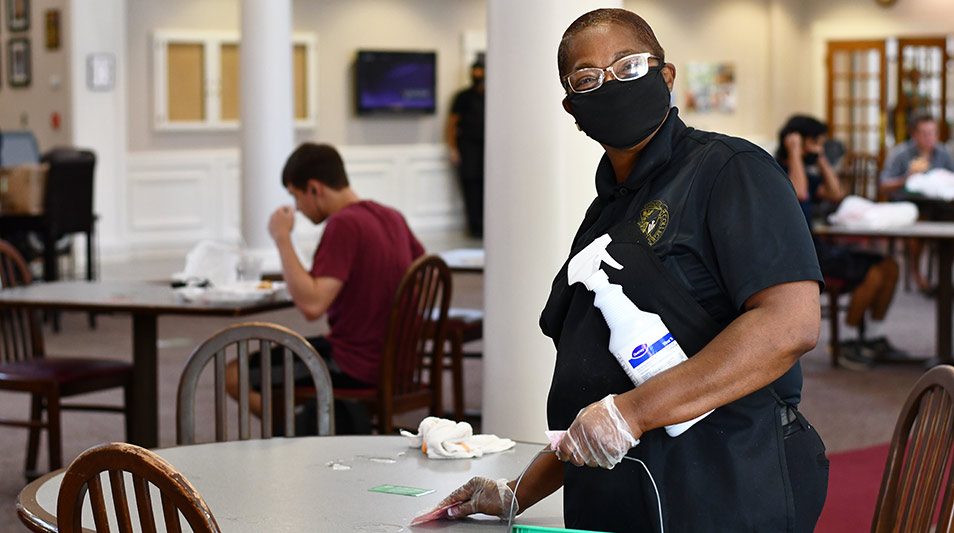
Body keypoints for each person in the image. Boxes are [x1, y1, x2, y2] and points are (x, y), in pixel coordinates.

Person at [436, 8, 828, 532]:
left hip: (728, 480)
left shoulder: (729, 171)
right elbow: (600, 395)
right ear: (573, 108)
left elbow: (788, 325)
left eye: (628, 66)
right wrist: (514, 494)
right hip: (622, 489)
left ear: (666, 76)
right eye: (587, 78)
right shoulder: (606, 212)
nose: (611, 84)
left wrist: (633, 413)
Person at [225, 143, 425, 434]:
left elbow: (312, 305)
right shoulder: (392, 216)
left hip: (354, 362)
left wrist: (282, 238)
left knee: (235, 372)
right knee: (279, 363)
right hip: (398, 360)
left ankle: (292, 437)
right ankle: (309, 428)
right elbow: (420, 273)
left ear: (315, 189)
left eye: (296, 196)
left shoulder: (344, 224)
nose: (298, 208)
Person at [777, 115, 905, 369]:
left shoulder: (805, 168)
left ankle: (873, 336)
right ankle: (845, 343)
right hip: (797, 254)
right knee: (874, 273)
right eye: (817, 143)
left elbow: (837, 194)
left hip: (817, 246)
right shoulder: (776, 169)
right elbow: (798, 193)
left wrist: (820, 158)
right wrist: (794, 151)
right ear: (799, 141)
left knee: (890, 266)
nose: (820, 148)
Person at [880, 112, 954, 292]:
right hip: (909, 205)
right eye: (925, 133)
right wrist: (907, 178)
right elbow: (884, 186)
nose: (931, 138)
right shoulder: (901, 154)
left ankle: (944, 276)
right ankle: (917, 276)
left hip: (938, 205)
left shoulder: (942, 152)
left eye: (933, 133)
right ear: (914, 135)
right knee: (917, 227)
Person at [446, 57, 486, 238]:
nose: (478, 74)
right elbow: (452, 124)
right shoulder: (462, 97)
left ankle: (487, 225)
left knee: (487, 185)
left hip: (488, 149)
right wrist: (453, 148)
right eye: (475, 70)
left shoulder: (493, 96)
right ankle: (474, 227)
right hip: (468, 148)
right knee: (471, 186)